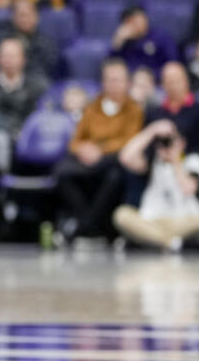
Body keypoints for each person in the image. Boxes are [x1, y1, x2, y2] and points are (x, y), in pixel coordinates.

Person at [53, 59, 143, 241]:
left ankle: (85, 227)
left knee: (114, 175)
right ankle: (89, 225)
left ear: (127, 83)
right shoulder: (93, 107)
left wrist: (100, 150)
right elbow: (75, 140)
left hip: (113, 159)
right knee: (62, 172)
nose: (113, 85)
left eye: (118, 80)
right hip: (88, 160)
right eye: (109, 80)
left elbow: (130, 139)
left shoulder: (134, 109)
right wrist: (83, 149)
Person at [113, 120, 199, 251]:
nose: (165, 146)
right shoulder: (153, 161)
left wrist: (175, 160)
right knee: (121, 215)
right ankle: (171, 243)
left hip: (181, 221)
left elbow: (189, 189)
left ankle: (149, 240)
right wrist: (152, 131)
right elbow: (125, 157)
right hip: (151, 220)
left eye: (169, 141)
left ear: (182, 142)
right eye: (162, 143)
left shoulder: (192, 160)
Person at [0, 37, 48, 173]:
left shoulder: (37, 86)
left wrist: (22, 132)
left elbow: (40, 117)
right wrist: (11, 130)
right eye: (4, 55)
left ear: (23, 59)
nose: (8, 60)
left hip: (27, 144)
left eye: (12, 55)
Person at [0, 0, 60, 79]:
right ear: (13, 17)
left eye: (28, 15)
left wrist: (21, 66)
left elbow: (47, 66)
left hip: (33, 83)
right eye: (21, 15)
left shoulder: (45, 42)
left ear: (36, 17)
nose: (25, 19)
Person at [151, 62, 199, 163]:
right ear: (163, 85)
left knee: (195, 162)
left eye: (177, 81)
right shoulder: (155, 113)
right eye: (169, 82)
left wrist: (181, 152)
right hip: (161, 163)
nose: (173, 86)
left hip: (190, 162)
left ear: (186, 82)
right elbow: (149, 149)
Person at [110, 7, 177, 75]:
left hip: (156, 81)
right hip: (129, 81)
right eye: (131, 21)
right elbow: (111, 65)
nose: (137, 23)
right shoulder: (123, 42)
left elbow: (172, 63)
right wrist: (117, 43)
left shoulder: (160, 37)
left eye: (140, 19)